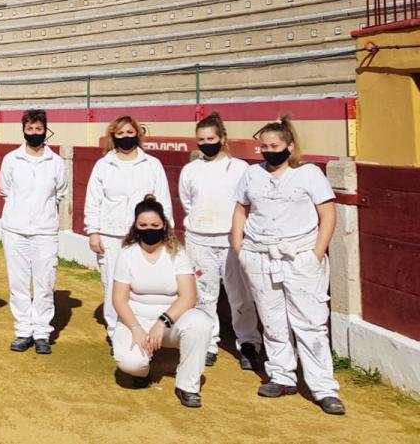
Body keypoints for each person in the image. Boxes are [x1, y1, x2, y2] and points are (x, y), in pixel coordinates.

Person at [233, 117, 345, 415]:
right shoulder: (251, 174)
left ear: (290, 146)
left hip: (300, 255)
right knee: (272, 320)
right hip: (259, 253)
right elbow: (240, 209)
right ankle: (281, 376)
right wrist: (239, 247)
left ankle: (323, 387)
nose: (268, 151)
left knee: (310, 323)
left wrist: (317, 253)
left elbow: (328, 214)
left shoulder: (308, 174)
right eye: (264, 146)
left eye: (275, 146)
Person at [178, 111, 261, 369]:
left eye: (210, 138)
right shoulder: (190, 170)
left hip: (231, 238)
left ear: (223, 138)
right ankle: (208, 342)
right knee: (204, 295)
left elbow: (246, 203)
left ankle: (248, 342)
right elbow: (188, 203)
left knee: (240, 294)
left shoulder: (241, 169)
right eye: (200, 139)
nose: (205, 143)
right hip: (199, 239)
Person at [112, 196, 212, 408]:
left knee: (200, 323)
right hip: (135, 319)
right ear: (135, 227)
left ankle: (187, 386)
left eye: (155, 225)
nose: (150, 229)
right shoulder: (128, 254)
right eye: (143, 225)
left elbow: (188, 296)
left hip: (169, 321)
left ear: (164, 225)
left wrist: (162, 321)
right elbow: (119, 299)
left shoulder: (177, 253)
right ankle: (147, 368)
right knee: (131, 364)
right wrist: (136, 328)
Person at [84, 115, 172, 340]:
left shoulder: (152, 164)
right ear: (113, 136)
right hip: (110, 234)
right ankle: (116, 333)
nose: (125, 137)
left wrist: (166, 233)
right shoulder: (103, 165)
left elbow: (163, 201)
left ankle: (143, 328)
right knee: (112, 283)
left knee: (143, 281)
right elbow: (93, 200)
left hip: (144, 234)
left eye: (129, 133)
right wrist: (93, 232)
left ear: (137, 135)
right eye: (120, 134)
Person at [0, 109, 67, 354]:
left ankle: (41, 332)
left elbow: (59, 193)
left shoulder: (56, 162)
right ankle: (22, 330)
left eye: (39, 129)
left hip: (45, 230)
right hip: (15, 229)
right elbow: (5, 190)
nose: (34, 133)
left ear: (45, 130)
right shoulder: (11, 160)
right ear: (23, 130)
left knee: (45, 283)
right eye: (30, 129)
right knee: (18, 283)